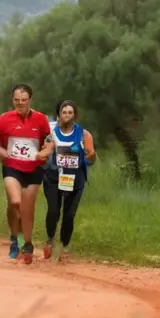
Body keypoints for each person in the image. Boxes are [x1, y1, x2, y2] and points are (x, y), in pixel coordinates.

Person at [0, 84, 52, 263]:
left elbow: (49, 140)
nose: (20, 103)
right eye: (16, 100)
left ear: (30, 100)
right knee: (15, 202)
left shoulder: (41, 119)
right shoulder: (5, 119)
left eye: (24, 100)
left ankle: (27, 243)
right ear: (12, 100)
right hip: (12, 167)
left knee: (27, 207)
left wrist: (45, 151)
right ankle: (14, 237)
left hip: (34, 168)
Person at [42, 100, 96, 261]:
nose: (67, 115)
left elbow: (91, 158)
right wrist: (43, 155)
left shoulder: (83, 134)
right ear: (59, 115)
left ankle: (65, 247)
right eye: (64, 112)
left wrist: (90, 156)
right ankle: (50, 239)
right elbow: (45, 151)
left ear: (75, 115)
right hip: (53, 178)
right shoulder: (51, 133)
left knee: (69, 215)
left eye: (70, 112)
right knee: (53, 211)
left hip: (74, 179)